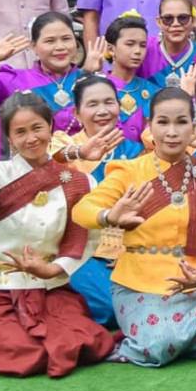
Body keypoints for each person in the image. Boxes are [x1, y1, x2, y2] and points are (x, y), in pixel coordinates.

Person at [0, 99, 119, 377]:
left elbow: (87, 236)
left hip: (51, 287)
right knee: (24, 356)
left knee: (85, 343)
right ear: (9, 138)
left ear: (51, 128)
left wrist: (55, 268)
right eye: (20, 132)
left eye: (37, 128)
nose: (31, 138)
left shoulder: (78, 182)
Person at [73, 87, 196, 366]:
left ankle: (178, 334)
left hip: (192, 279)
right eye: (163, 122)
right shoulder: (128, 171)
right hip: (137, 281)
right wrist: (109, 216)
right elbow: (82, 211)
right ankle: (151, 341)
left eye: (181, 122)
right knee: (160, 345)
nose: (172, 132)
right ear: (150, 127)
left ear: (193, 127)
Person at [48, 74, 148, 326]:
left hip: (129, 250)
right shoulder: (64, 146)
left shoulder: (135, 151)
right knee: (110, 308)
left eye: (109, 102)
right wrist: (80, 153)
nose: (103, 111)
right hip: (82, 250)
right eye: (92, 105)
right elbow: (44, 163)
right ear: (77, 113)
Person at [0, 11, 89, 152]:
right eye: (50, 41)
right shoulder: (14, 80)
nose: (60, 47)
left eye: (66, 39)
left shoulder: (91, 80)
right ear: (33, 46)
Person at [140, 0, 196, 87]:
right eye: (168, 19)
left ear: (193, 21)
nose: (176, 24)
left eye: (183, 18)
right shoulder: (144, 48)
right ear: (159, 22)